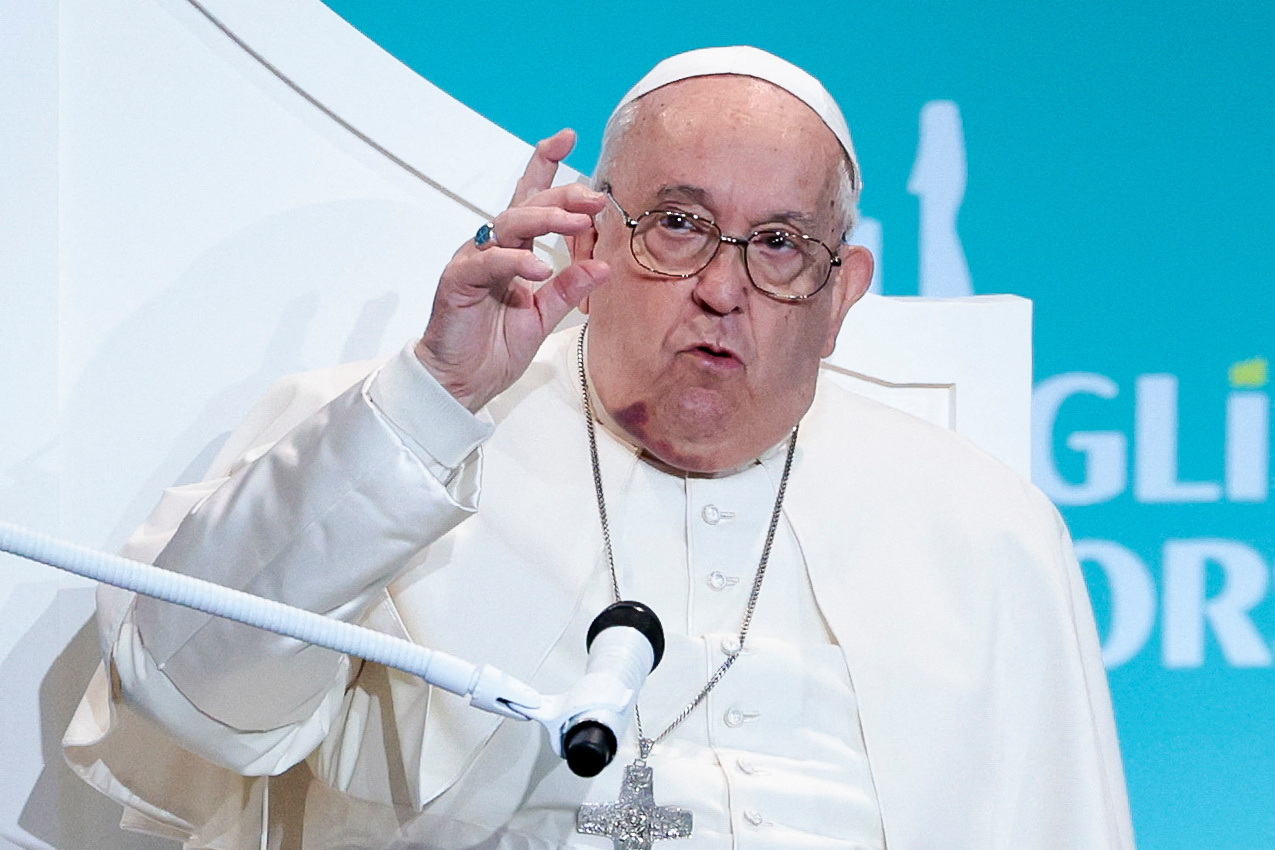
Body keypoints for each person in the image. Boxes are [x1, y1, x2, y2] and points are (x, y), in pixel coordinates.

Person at [65, 46, 1135, 849]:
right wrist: (437, 399)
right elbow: (189, 693)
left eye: (778, 244)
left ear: (842, 292)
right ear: (590, 233)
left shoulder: (985, 526)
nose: (723, 289)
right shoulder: (396, 429)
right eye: (678, 223)